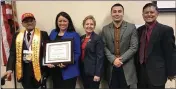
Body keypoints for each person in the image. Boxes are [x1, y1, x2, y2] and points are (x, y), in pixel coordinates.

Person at [136, 3, 176, 88]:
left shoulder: (166, 30)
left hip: (158, 74)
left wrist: (172, 72)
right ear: (143, 15)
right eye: (146, 13)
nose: (149, 15)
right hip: (141, 73)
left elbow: (171, 53)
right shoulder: (139, 30)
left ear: (157, 14)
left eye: (152, 12)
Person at [5, 13, 49, 89]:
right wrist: (9, 69)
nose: (29, 23)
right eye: (26, 21)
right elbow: (12, 53)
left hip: (39, 69)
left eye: (31, 20)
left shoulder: (43, 34)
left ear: (35, 22)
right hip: (24, 70)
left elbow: (48, 51)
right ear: (22, 24)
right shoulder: (17, 35)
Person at [101, 3, 138, 89]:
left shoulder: (131, 27)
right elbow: (103, 46)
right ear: (111, 14)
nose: (117, 14)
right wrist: (113, 60)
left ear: (123, 13)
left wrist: (120, 60)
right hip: (111, 66)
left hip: (126, 66)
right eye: (114, 12)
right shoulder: (105, 29)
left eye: (119, 11)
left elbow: (134, 47)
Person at [47, 11, 81, 89]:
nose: (62, 23)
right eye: (60, 21)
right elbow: (48, 49)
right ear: (57, 22)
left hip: (69, 71)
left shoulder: (74, 34)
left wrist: (67, 63)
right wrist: (48, 61)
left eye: (64, 21)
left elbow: (77, 53)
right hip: (55, 71)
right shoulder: (53, 33)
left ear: (69, 22)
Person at [80, 15, 104, 89]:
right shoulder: (81, 38)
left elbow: (100, 57)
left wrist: (97, 74)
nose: (89, 26)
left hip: (93, 73)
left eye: (91, 24)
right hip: (83, 70)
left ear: (94, 26)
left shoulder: (98, 38)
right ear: (84, 26)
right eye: (87, 24)